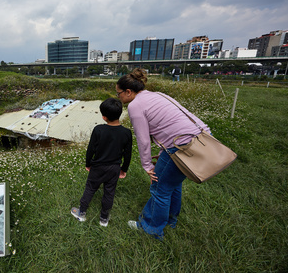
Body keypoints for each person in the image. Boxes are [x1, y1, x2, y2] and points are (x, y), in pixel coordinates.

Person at [116, 68, 210, 239]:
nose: (119, 98)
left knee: (159, 188)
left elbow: (143, 140)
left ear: (128, 92)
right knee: (173, 184)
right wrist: (163, 152)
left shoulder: (135, 105)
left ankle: (151, 228)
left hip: (181, 145)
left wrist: (147, 165)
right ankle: (170, 220)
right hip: (201, 138)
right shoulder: (158, 95)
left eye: (119, 94)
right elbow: (170, 124)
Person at [71, 98, 132, 227]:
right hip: (114, 168)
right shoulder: (126, 133)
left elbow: (91, 149)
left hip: (98, 166)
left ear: (104, 117)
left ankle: (81, 213)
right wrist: (124, 169)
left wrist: (88, 163)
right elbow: (127, 154)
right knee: (109, 192)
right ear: (120, 113)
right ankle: (104, 219)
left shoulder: (98, 129)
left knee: (90, 188)